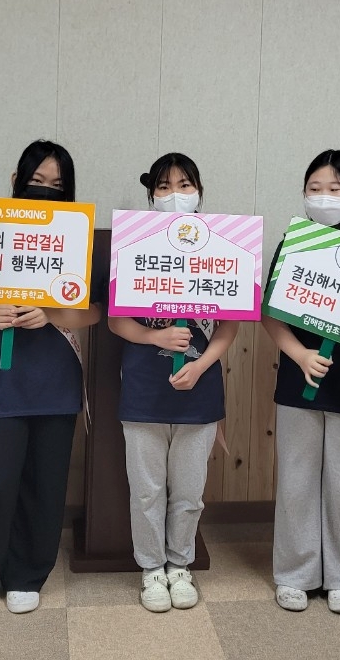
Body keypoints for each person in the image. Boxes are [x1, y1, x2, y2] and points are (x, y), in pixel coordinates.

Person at [0, 140, 102, 614]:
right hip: (0, 382)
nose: (46, 191)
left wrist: (52, 315)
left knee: (46, 484)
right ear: (16, 181)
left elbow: (94, 311)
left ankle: (26, 574)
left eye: (57, 186)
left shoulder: (78, 237)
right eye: (37, 182)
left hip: (55, 380)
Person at [108, 153, 236, 612]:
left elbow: (230, 326)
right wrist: (154, 336)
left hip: (199, 392)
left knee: (188, 491)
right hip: (144, 390)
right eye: (164, 187)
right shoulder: (133, 244)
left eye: (184, 185)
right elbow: (116, 320)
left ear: (199, 191)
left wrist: (201, 367)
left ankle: (180, 565)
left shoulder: (223, 246)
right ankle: (151, 569)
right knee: (146, 490)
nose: (175, 194)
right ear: (151, 195)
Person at [263, 150, 340, 616]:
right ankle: (294, 574)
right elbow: (270, 314)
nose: (324, 196)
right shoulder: (294, 242)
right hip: (299, 382)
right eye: (314, 188)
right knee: (295, 482)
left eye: (335, 188)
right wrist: (299, 354)